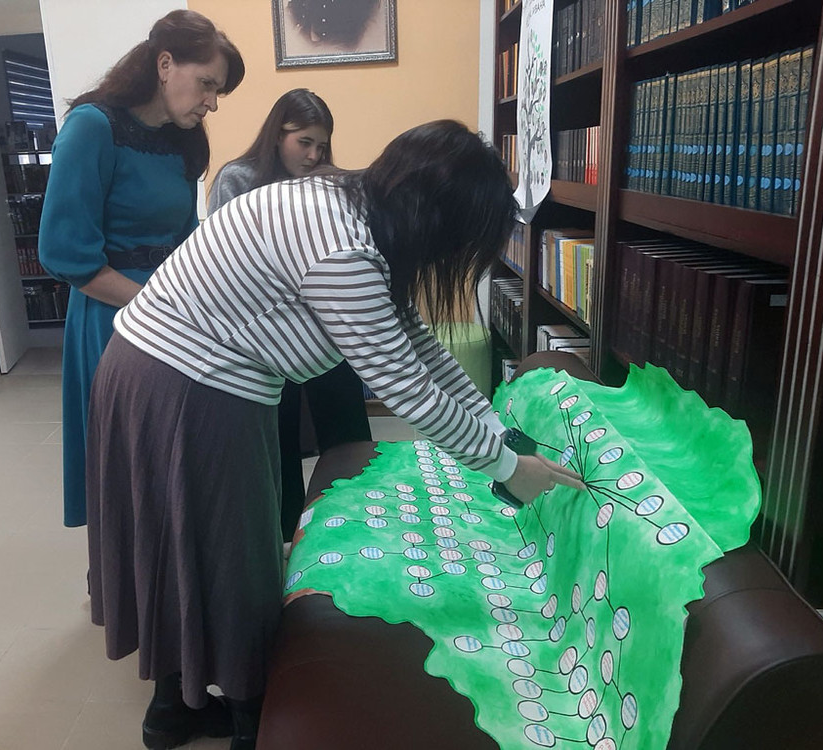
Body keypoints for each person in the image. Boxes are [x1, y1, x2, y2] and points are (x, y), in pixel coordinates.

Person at [86, 120, 585, 750]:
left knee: (191, 541)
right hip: (186, 384)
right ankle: (251, 722)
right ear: (435, 220)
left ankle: (173, 710)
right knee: (232, 557)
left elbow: (420, 349)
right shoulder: (344, 250)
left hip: (174, 372)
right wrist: (508, 470)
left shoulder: (353, 207)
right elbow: (405, 387)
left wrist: (499, 432)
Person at [38, 10, 244, 535]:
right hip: (114, 316)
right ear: (165, 64)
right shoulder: (92, 128)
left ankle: (181, 569)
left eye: (218, 92)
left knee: (178, 454)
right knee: (131, 465)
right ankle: (133, 576)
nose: (212, 103)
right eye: (207, 84)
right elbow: (67, 256)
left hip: (173, 310)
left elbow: (187, 237)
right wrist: (159, 306)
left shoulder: (181, 139)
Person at [208, 89, 371, 541]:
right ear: (277, 135)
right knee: (277, 444)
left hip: (320, 327)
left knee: (348, 429)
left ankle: (354, 522)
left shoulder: (326, 185)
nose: (314, 155)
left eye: (322, 146)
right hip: (265, 335)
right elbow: (226, 263)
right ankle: (285, 539)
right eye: (304, 142)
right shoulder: (237, 179)